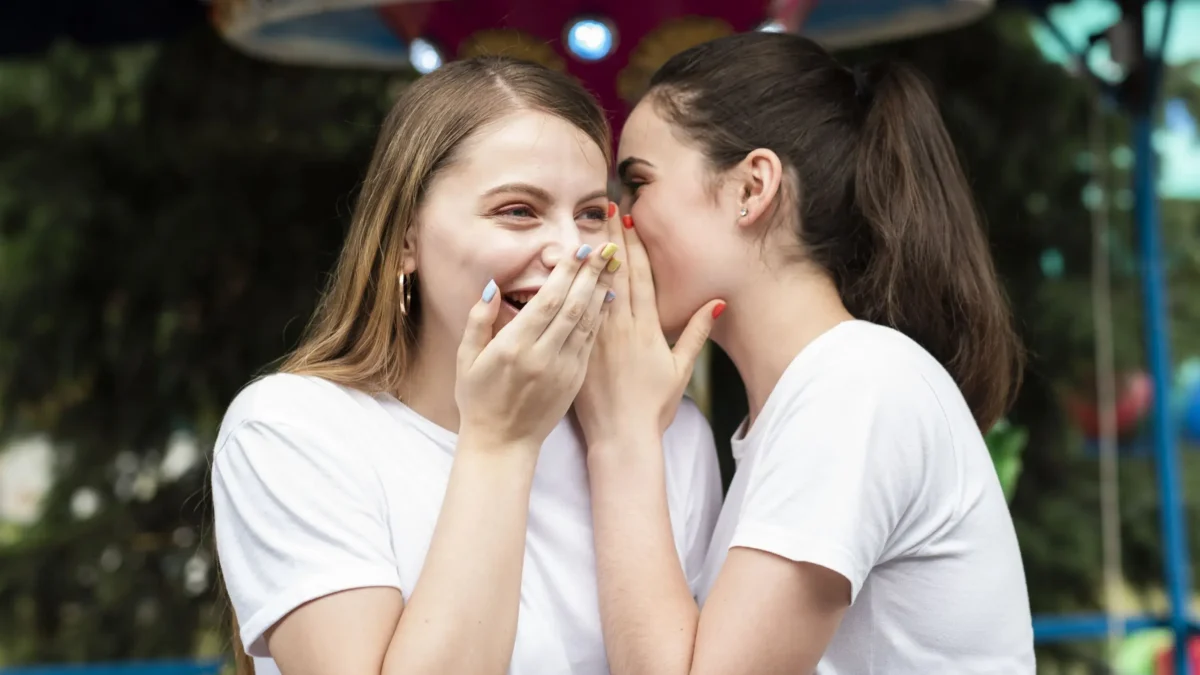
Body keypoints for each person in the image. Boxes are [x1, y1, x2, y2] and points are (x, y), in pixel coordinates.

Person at [211, 56, 723, 675]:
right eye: (518, 210)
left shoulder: (666, 436)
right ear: (404, 238)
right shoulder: (293, 431)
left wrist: (625, 442)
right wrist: (501, 441)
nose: (570, 251)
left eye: (591, 213)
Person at [573, 32, 1035, 674]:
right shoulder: (822, 393)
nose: (616, 221)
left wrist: (619, 436)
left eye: (638, 183)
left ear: (751, 187)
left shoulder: (855, 385)